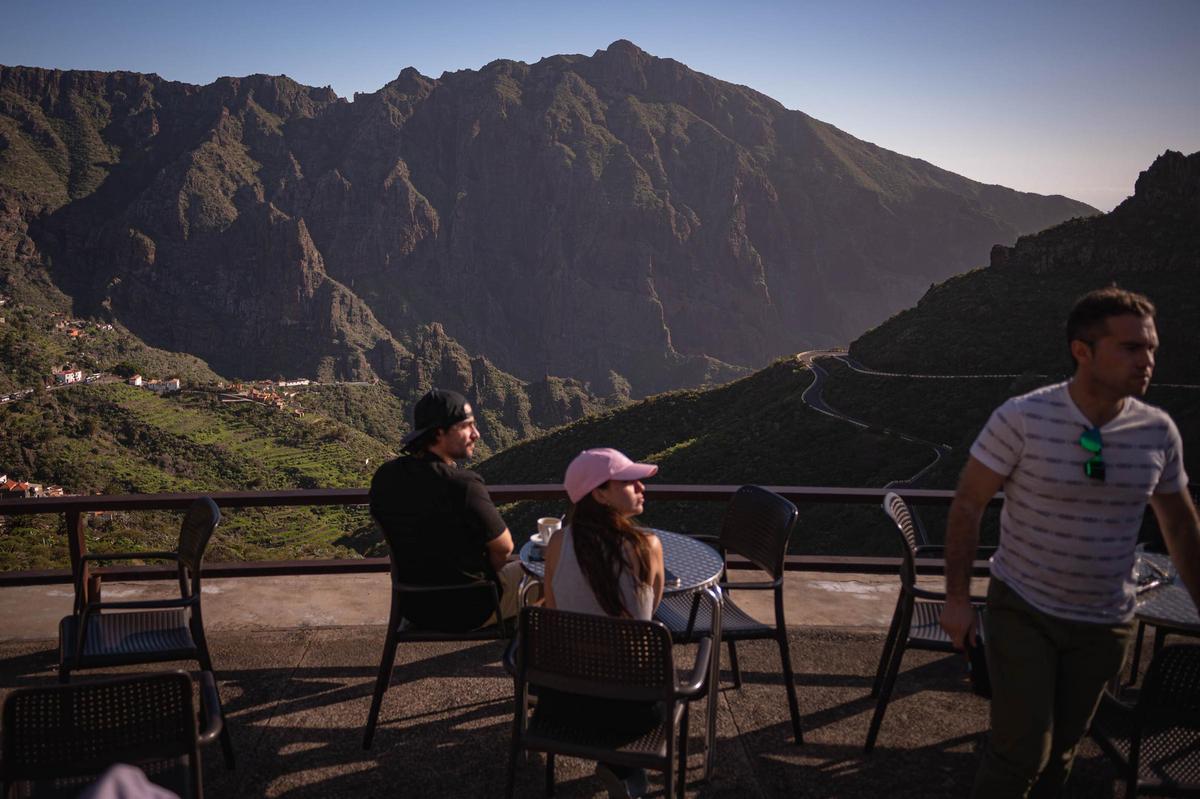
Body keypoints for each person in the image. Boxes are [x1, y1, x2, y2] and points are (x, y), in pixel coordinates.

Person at [939, 287, 1200, 798]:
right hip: (1023, 609)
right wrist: (956, 600)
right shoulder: (1022, 418)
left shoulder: (1157, 433)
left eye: (1151, 347)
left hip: (1105, 624)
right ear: (1083, 351)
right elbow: (967, 505)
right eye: (1130, 347)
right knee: (1020, 753)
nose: (1146, 360)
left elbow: (1181, 526)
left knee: (1063, 752)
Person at [541, 447, 665, 799]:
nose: (641, 487)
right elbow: (649, 615)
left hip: (563, 705)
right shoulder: (648, 547)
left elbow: (554, 616)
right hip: (637, 715)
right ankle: (624, 769)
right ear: (598, 493)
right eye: (628, 481)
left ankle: (623, 772)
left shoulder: (558, 543)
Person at [369, 388, 522, 631]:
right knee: (547, 573)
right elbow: (504, 548)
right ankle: (539, 658)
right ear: (439, 433)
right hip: (472, 608)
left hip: (414, 607)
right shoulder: (463, 485)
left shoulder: (385, 477)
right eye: (467, 426)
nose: (477, 434)